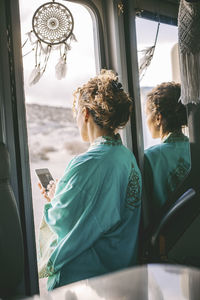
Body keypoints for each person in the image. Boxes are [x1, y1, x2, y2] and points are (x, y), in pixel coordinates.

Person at [38, 69, 142, 290]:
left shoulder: (86, 164)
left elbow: (62, 219)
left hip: (87, 280)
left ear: (85, 113)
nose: (76, 120)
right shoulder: (126, 157)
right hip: (122, 272)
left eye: (76, 113)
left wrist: (55, 197)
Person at [144, 82, 190, 221]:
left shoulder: (150, 157)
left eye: (147, 114)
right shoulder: (194, 148)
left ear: (158, 118)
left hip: (165, 234)